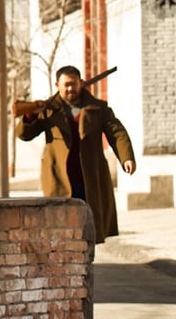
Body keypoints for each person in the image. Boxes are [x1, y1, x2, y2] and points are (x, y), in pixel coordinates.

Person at [17, 65, 136, 242]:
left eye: (74, 84)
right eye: (66, 85)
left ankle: (86, 262)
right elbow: (25, 135)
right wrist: (30, 116)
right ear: (57, 85)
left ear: (81, 83)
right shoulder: (48, 109)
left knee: (88, 224)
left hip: (89, 175)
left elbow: (116, 132)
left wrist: (126, 157)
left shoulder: (97, 108)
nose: (70, 88)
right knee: (60, 226)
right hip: (59, 176)